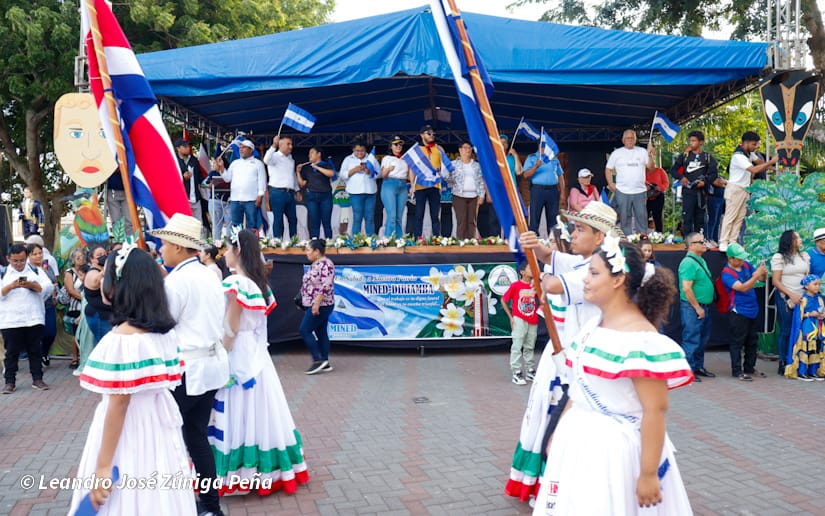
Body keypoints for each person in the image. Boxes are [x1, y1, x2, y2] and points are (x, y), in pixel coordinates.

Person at [533, 239, 693, 515]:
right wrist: (558, 433)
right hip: (578, 441)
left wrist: (647, 473)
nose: (585, 279)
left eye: (594, 273)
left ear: (619, 280)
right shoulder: (593, 326)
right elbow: (578, 390)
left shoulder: (641, 340)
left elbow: (654, 410)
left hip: (614, 454)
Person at [68, 245, 197, 514]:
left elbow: (119, 404)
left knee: (127, 495)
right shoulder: (163, 333)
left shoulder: (122, 339)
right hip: (159, 424)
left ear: (118, 285)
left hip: (128, 430)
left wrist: (103, 467)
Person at [506, 201, 618, 503]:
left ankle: (557, 489)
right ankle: (544, 484)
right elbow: (551, 258)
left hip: (580, 363)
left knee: (563, 427)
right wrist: (536, 248)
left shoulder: (600, 270)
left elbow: (553, 285)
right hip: (561, 357)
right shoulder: (585, 262)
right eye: (573, 227)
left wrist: (538, 274)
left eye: (580, 229)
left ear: (600, 237)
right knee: (546, 418)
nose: (572, 234)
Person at [211, 228, 310, 495]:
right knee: (260, 412)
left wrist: (218, 353)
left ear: (238, 250)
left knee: (239, 412)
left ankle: (243, 473)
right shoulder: (258, 284)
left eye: (227, 249)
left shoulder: (237, 284)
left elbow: (231, 328)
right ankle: (267, 471)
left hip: (238, 354)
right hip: (257, 355)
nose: (224, 255)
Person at [149, 213, 229, 516]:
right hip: (209, 367)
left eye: (165, 244)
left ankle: (174, 504)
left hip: (186, 370)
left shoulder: (178, 281)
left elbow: (162, 324)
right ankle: (210, 506)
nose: (161, 249)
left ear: (180, 248)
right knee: (196, 437)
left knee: (167, 439)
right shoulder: (209, 274)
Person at [1, 243, 54, 394]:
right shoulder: (3, 273)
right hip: (10, 320)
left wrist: (31, 285)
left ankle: (38, 378)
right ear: (8, 258)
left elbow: (48, 288)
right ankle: (10, 381)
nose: (19, 264)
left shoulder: (35, 270)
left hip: (33, 317)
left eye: (22, 260)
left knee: (35, 350)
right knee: (11, 352)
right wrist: (10, 286)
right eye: (15, 261)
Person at [718, 132, 778, 252]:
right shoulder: (738, 156)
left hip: (745, 189)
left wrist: (775, 169)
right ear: (745, 143)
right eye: (754, 144)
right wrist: (771, 162)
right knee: (731, 216)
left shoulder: (749, 154)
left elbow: (760, 163)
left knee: (740, 218)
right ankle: (723, 241)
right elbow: (754, 169)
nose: (756, 147)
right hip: (735, 189)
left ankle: (732, 241)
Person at [721, 243, 768, 381]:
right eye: (739, 259)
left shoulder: (746, 265)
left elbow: (761, 279)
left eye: (743, 258)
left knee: (752, 340)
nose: (742, 261)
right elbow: (742, 288)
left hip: (753, 309)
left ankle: (749, 367)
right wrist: (756, 276)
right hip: (739, 311)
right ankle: (736, 371)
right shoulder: (727, 274)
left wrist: (763, 273)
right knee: (737, 342)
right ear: (730, 258)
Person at [771, 230, 810, 374]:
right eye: (797, 237)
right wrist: (790, 295)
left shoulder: (804, 256)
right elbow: (775, 280)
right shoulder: (779, 257)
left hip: (802, 298)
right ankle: (783, 361)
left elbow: (807, 276)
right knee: (786, 330)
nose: (800, 240)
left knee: (801, 329)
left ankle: (797, 359)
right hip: (785, 297)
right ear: (790, 240)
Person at [678, 232, 715, 381]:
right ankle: (687, 371)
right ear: (691, 245)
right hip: (692, 307)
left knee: (702, 339)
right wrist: (697, 307)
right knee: (691, 339)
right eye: (700, 242)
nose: (704, 243)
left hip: (702, 306)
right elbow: (686, 288)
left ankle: (697, 366)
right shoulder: (688, 263)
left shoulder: (699, 260)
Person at [669, 130, 718, 238]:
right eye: (690, 141)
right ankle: (687, 241)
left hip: (701, 193)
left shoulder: (708, 157)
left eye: (694, 141)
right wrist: (682, 177)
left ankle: (699, 241)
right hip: (688, 191)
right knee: (687, 217)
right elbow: (673, 170)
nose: (691, 143)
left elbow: (714, 174)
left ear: (701, 142)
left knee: (700, 218)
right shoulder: (685, 156)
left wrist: (704, 182)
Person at [605, 129, 655, 235]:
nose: (630, 140)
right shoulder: (617, 153)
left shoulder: (642, 151)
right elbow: (608, 169)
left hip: (640, 191)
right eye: (627, 138)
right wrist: (610, 184)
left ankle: (642, 240)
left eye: (632, 138)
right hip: (622, 191)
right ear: (623, 140)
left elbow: (651, 168)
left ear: (635, 139)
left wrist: (650, 155)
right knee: (624, 217)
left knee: (641, 216)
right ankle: (627, 240)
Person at [300, 238, 336, 374]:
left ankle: (317, 360)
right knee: (321, 331)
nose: (306, 253)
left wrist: (316, 303)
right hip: (313, 303)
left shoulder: (326, 264)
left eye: (309, 250)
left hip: (322, 304)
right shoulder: (315, 264)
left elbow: (327, 286)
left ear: (317, 251)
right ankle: (325, 361)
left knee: (305, 330)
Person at [410, 125, 452, 238]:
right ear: (422, 135)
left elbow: (445, 165)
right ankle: (417, 238)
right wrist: (412, 185)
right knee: (419, 214)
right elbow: (412, 168)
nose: (432, 135)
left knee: (435, 215)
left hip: (435, 185)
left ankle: (436, 238)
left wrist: (443, 174)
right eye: (429, 133)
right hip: (420, 186)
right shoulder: (417, 150)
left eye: (433, 133)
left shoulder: (439, 149)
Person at [501, 262, 539, 385]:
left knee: (530, 345)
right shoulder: (516, 286)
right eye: (530, 268)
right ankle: (516, 371)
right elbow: (504, 300)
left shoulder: (536, 286)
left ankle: (530, 369)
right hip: (519, 318)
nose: (533, 270)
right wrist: (511, 317)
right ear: (522, 272)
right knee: (517, 344)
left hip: (532, 318)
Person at [785, 274, 825, 381]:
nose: (817, 287)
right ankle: (801, 372)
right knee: (805, 348)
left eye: (819, 284)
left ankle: (813, 371)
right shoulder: (802, 299)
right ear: (807, 286)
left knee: (816, 348)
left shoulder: (820, 299)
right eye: (815, 284)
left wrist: (822, 315)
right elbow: (799, 315)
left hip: (818, 327)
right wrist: (809, 314)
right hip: (807, 327)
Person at [220, 139, 267, 230]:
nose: (241, 149)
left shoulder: (258, 164)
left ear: (251, 150)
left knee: (252, 224)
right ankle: (237, 243)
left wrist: (260, 195)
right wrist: (221, 167)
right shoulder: (235, 163)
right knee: (236, 225)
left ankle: (250, 244)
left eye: (244, 147)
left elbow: (262, 181)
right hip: (235, 199)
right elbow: (227, 178)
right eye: (240, 147)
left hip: (251, 199)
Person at [523, 140, 565, 236]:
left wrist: (562, 192)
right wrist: (536, 166)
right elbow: (525, 175)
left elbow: (560, 176)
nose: (544, 148)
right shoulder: (532, 158)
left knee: (553, 218)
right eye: (542, 146)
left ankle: (553, 241)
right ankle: (534, 241)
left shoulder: (553, 158)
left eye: (546, 146)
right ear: (538, 146)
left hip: (553, 190)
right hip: (538, 190)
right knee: (534, 217)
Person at [27, 243, 57, 367]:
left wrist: (54, 293)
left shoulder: (47, 267)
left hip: (49, 304)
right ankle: (35, 360)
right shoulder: (26, 269)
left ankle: (44, 352)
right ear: (29, 256)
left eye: (40, 253)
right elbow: (22, 283)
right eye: (35, 254)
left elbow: (54, 282)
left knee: (50, 332)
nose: (38, 256)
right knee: (35, 335)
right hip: (33, 306)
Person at [448, 141, 485, 240]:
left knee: (472, 221)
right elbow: (448, 180)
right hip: (459, 196)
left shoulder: (476, 165)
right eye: (465, 148)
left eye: (469, 148)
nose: (467, 150)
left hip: (474, 196)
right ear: (460, 150)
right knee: (461, 220)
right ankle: (461, 242)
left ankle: (471, 242)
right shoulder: (453, 164)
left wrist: (482, 195)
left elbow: (481, 180)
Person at [264, 135, 298, 239]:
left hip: (290, 192)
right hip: (277, 192)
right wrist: (273, 145)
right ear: (281, 145)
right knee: (278, 219)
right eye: (288, 144)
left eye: (291, 144)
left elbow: (292, 175)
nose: (291, 146)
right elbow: (266, 160)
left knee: (293, 219)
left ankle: (294, 242)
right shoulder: (274, 156)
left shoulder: (291, 159)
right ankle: (278, 242)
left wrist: (297, 190)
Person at [298, 146, 336, 239]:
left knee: (326, 222)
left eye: (312, 153)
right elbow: (302, 184)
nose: (309, 155)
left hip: (325, 196)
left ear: (318, 154)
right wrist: (298, 172)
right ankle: (315, 243)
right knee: (314, 222)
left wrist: (317, 167)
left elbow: (331, 174)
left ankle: (328, 242)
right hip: (312, 196)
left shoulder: (326, 164)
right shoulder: (307, 168)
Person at [341, 142, 378, 236]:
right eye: (357, 151)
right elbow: (342, 175)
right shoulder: (348, 159)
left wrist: (369, 171)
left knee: (369, 218)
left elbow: (380, 173)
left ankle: (371, 240)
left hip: (370, 192)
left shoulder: (371, 158)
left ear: (365, 150)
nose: (360, 153)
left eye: (362, 151)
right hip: (355, 193)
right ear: (353, 150)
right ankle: (355, 241)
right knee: (357, 217)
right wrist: (354, 170)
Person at [380, 136, 410, 238]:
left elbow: (409, 176)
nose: (398, 146)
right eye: (396, 144)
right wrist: (388, 169)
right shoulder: (387, 158)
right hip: (390, 184)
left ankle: (399, 239)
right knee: (391, 215)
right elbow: (383, 175)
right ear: (391, 146)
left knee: (399, 217)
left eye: (400, 144)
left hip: (402, 185)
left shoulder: (405, 159)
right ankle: (388, 239)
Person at [84, 243, 113, 345]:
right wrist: (108, 266)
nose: (104, 256)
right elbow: (96, 281)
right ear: (92, 259)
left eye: (105, 254)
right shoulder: (92, 273)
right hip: (99, 316)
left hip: (109, 315)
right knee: (104, 345)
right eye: (99, 255)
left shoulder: (104, 271)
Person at [64, 248, 87, 369]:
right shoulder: (69, 272)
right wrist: (85, 299)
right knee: (76, 332)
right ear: (73, 260)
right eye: (78, 257)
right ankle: (75, 358)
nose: (81, 259)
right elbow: (71, 290)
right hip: (76, 307)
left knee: (86, 332)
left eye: (82, 257)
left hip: (87, 307)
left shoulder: (88, 270)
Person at [175, 138, 204, 228]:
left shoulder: (194, 160)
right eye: (185, 146)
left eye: (189, 146)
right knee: (184, 226)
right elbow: (170, 179)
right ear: (178, 148)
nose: (188, 148)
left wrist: (207, 183)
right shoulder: (174, 160)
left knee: (198, 225)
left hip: (195, 198)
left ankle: (198, 242)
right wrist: (182, 178)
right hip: (182, 199)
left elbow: (200, 177)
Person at [204, 162, 232, 243]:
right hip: (215, 201)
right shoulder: (213, 173)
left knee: (230, 222)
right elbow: (204, 184)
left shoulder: (228, 172)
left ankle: (229, 245)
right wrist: (210, 184)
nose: (213, 165)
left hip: (228, 201)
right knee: (217, 224)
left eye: (215, 163)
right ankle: (217, 244)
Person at [645, 165, 669, 233]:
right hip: (645, 197)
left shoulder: (660, 170)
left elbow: (666, 183)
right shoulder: (642, 171)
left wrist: (659, 187)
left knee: (658, 217)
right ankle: (643, 236)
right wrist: (646, 188)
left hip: (658, 196)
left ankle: (659, 235)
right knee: (644, 218)